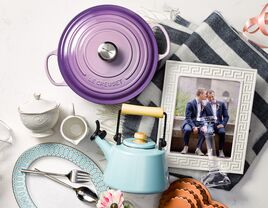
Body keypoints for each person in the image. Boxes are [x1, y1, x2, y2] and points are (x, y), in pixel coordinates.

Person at [181, 88, 207, 156]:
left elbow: (203, 117)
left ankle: (198, 149)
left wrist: (204, 125)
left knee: (204, 130)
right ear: (200, 94)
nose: (206, 95)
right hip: (189, 122)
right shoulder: (190, 103)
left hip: (199, 123)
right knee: (187, 130)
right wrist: (193, 127)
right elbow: (188, 117)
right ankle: (185, 147)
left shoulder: (203, 104)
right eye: (205, 94)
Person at [203, 89, 229, 158]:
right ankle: (210, 150)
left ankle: (221, 151)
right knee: (208, 132)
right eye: (209, 97)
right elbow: (204, 117)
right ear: (207, 97)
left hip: (219, 124)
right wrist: (210, 123)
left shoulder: (221, 104)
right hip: (210, 124)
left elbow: (226, 116)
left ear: (214, 95)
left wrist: (222, 124)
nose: (211, 98)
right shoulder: (205, 105)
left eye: (212, 97)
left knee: (222, 132)